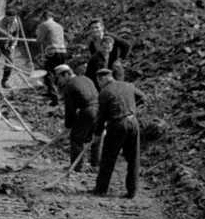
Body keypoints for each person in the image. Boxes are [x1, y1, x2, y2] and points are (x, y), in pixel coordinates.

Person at [93, 67, 143, 199]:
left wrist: (97, 134)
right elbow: (142, 97)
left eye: (99, 81)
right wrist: (131, 107)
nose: (99, 84)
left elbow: (101, 116)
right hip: (133, 122)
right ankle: (132, 191)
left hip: (117, 125)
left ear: (103, 79)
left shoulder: (105, 92)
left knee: (108, 157)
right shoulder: (128, 86)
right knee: (133, 158)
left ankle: (101, 189)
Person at [55, 64, 100, 171]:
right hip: (99, 109)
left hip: (88, 110)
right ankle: (95, 165)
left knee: (76, 138)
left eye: (59, 78)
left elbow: (70, 109)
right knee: (95, 137)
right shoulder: (86, 79)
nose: (59, 81)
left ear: (66, 74)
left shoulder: (70, 86)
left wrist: (68, 125)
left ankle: (77, 167)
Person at [33, 8, 68, 103]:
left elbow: (39, 40)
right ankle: (61, 93)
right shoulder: (59, 26)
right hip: (63, 51)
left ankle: (54, 97)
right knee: (60, 73)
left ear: (44, 17)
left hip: (53, 52)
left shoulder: (44, 25)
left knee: (48, 73)